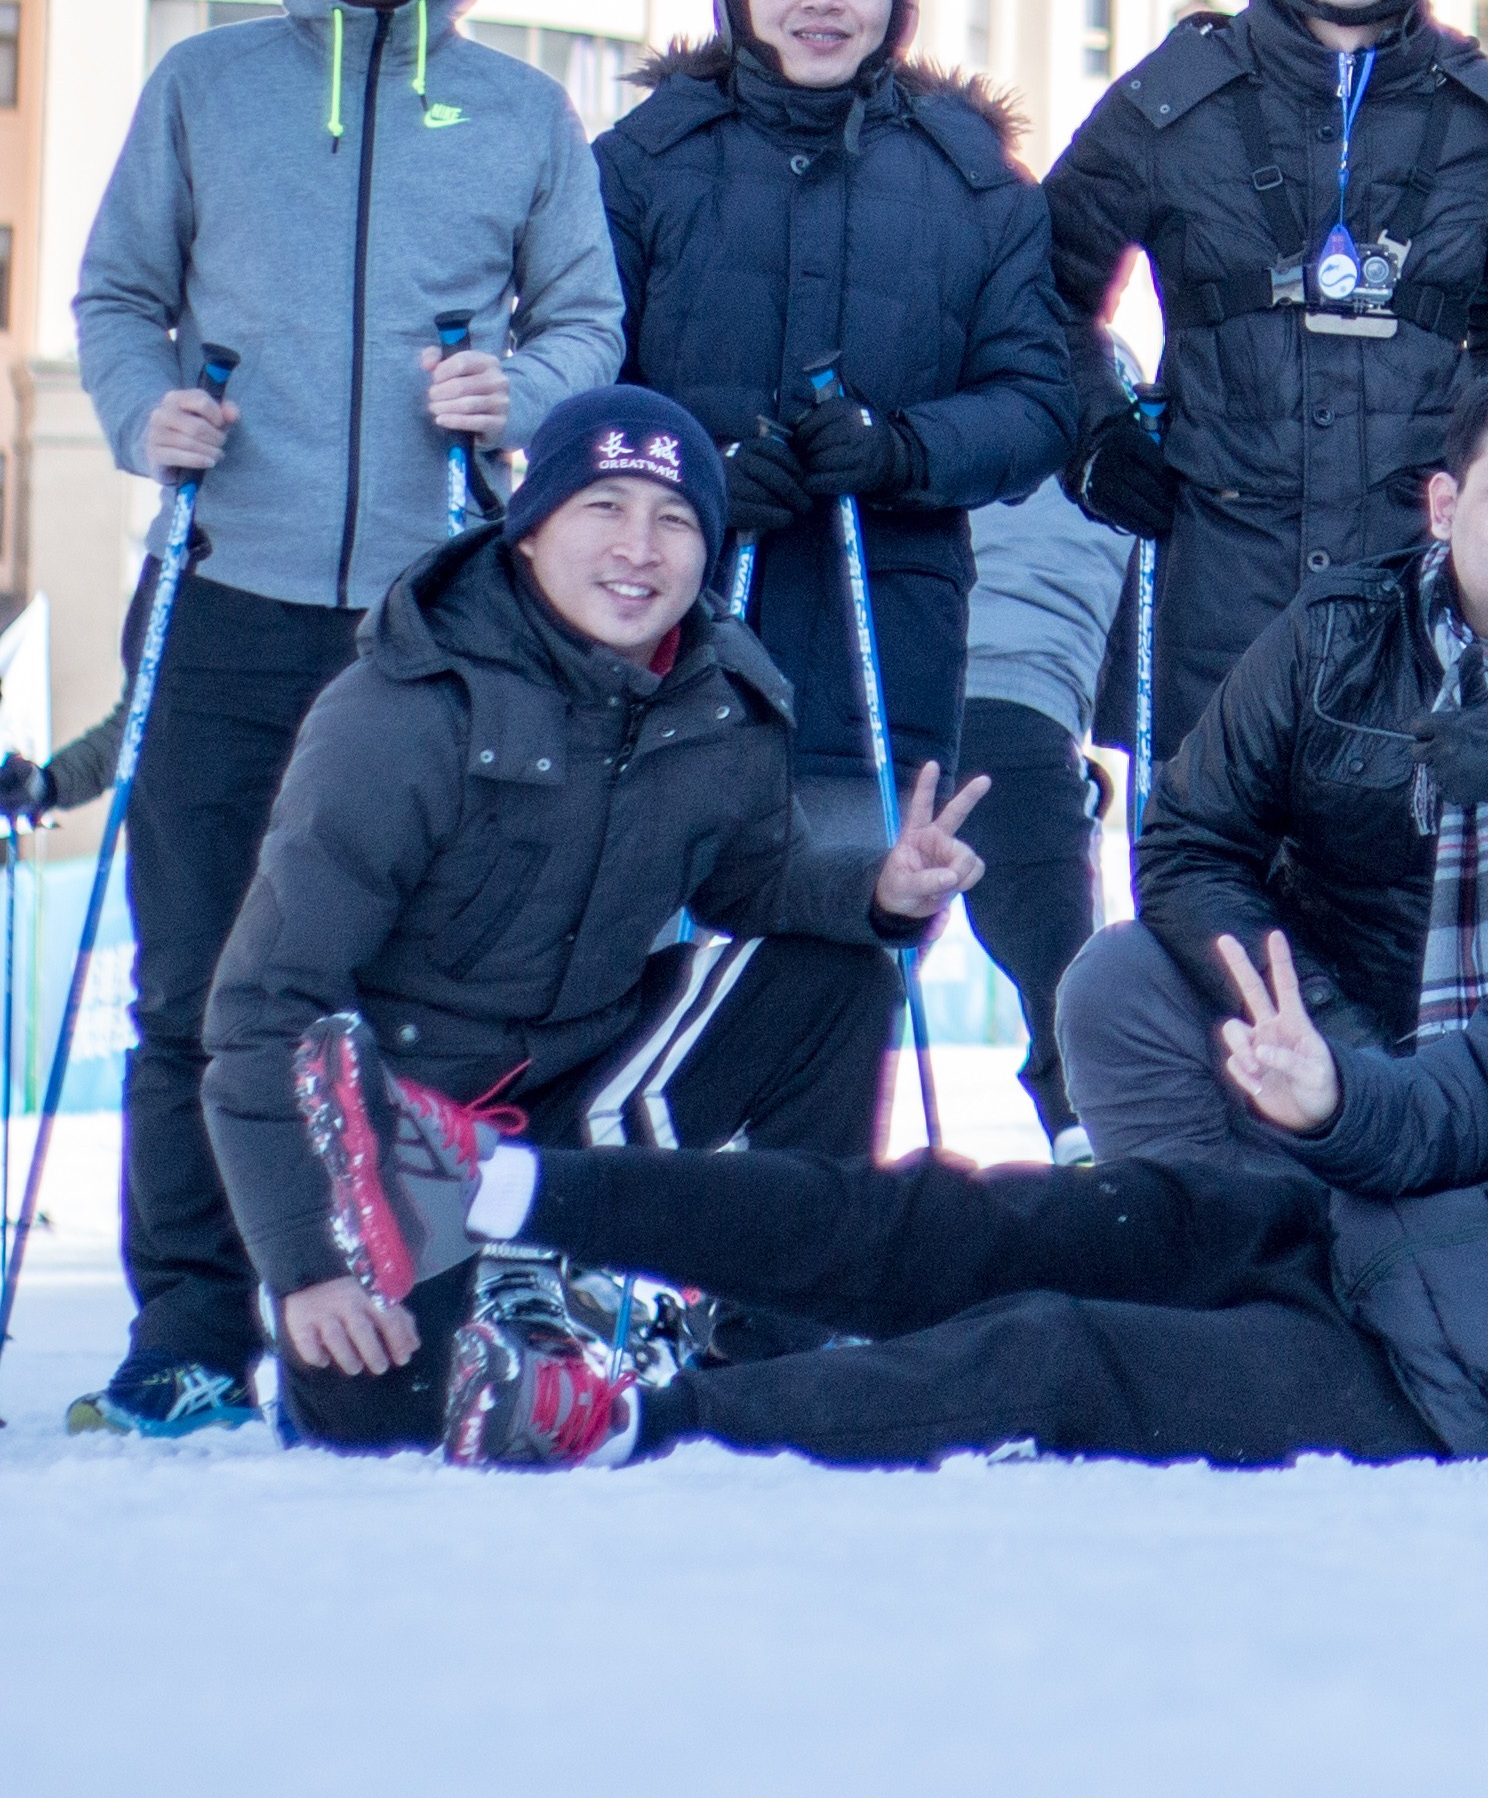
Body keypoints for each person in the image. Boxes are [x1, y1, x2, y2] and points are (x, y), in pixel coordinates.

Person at [362, 759, 1488, 1470]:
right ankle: (504, 1185)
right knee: (970, 1214)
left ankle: (628, 1420)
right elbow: (1467, 1097)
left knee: (1052, 1351)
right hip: (1354, 1228)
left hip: (1455, 1396)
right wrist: (1327, 1101)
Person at [63, 0, 629, 1436]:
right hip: (222, 594)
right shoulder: (206, 85)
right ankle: (187, 1328)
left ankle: (393, 1304)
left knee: (408, 985)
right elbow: (118, 295)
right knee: (197, 983)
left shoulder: (521, 110)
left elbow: (585, 315)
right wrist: (147, 411)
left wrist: (517, 389)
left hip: (432, 615)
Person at [199, 388, 992, 1452]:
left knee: (834, 976)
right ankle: (509, 1271)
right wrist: (308, 1265)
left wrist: (879, 892)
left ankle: (770, 1339)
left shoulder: (724, 693)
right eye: (603, 507)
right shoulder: (402, 707)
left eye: (675, 519)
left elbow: (754, 882)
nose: (639, 548)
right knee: (382, 1423)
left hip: (585, 1092)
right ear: (530, 531)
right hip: (410, 1128)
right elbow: (268, 1004)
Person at [589, 0, 1081, 1123]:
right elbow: (582, 377)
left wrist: (903, 449)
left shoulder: (972, 180)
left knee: (839, 967)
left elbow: (1038, 400)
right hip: (670, 641)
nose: (823, 1)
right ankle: (634, 1208)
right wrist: (693, 467)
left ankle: (807, 1238)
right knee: (647, 967)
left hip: (873, 651)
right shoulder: (646, 161)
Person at [1058, 367, 1488, 1170]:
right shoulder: (1335, 631)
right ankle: (1220, 1213)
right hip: (1337, 1032)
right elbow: (1190, 844)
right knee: (1118, 976)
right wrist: (1321, 1027)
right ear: (1446, 507)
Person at [1049, 0, 1488, 742]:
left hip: (1414, 585)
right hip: (1215, 577)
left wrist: (1482, 472)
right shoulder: (1171, 106)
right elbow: (1040, 290)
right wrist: (1095, 435)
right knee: (1205, 836)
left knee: (1402, 834)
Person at [956, 470, 1137, 1146]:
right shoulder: (1131, 447)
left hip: (900, 697)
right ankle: (1088, 1138)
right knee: (1066, 986)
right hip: (1020, 699)